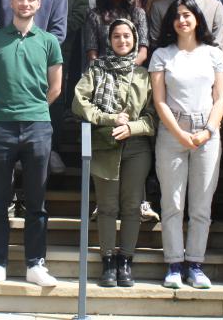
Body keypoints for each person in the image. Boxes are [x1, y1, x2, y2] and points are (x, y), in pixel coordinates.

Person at [0, 0, 63, 287]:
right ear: (11, 2)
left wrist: (33, 109)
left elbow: (55, 88)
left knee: (36, 200)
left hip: (38, 126)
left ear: (38, 4)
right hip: (0, 125)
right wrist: (4, 109)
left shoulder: (49, 41)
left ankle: (35, 263)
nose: (25, 3)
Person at [150, 0, 223, 290]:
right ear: (171, 22)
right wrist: (180, 134)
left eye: (188, 15)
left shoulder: (214, 54)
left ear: (197, 19)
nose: (183, 20)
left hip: (207, 133)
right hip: (172, 133)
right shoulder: (162, 55)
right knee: (172, 203)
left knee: (201, 206)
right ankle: (173, 264)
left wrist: (208, 130)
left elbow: (220, 97)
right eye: (177, 16)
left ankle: (195, 264)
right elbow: (159, 100)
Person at [72, 19, 155, 288]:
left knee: (132, 207)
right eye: (116, 36)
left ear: (134, 39)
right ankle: (108, 261)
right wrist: (109, 119)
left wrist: (131, 127)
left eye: (127, 36)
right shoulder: (96, 69)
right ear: (109, 40)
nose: (122, 41)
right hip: (103, 145)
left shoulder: (144, 75)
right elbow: (78, 103)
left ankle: (126, 261)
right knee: (107, 207)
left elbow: (153, 116)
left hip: (136, 148)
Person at [41, 0, 90, 173]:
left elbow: (82, 9)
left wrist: (59, 32)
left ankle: (53, 149)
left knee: (56, 100)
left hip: (62, 48)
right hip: (29, 51)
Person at [84, 0, 149, 66]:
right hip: (103, 71)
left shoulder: (138, 13)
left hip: (133, 69)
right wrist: (107, 71)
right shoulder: (94, 15)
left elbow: (143, 53)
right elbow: (91, 53)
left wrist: (125, 69)